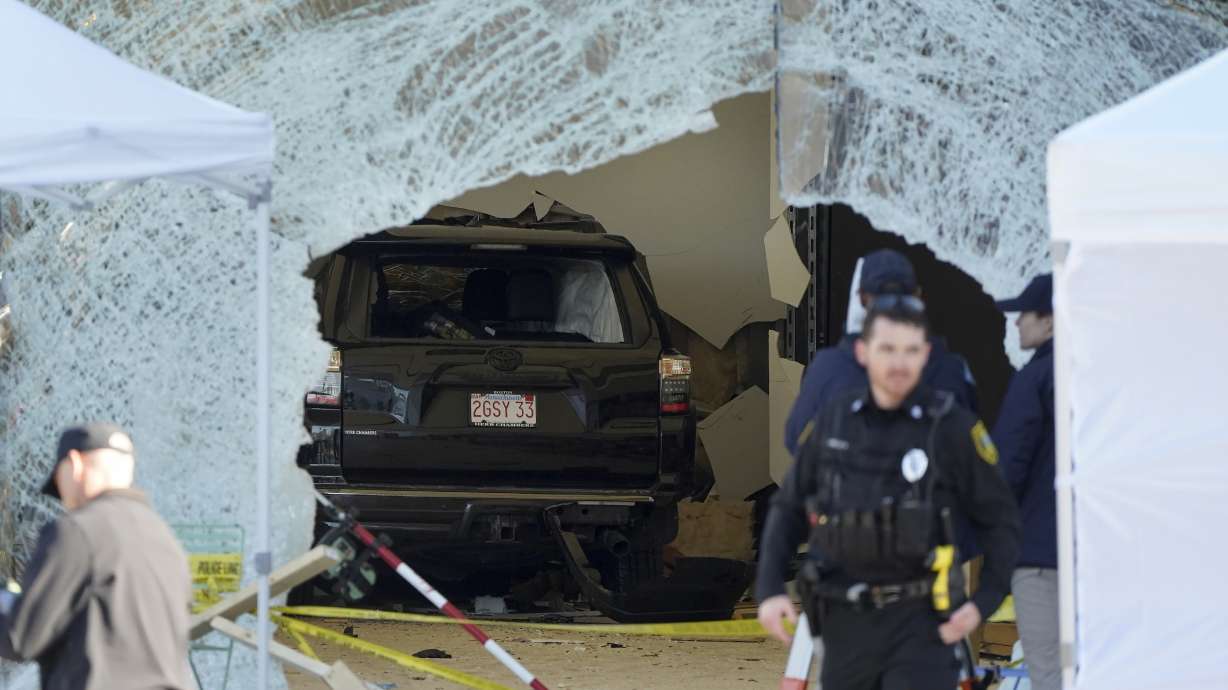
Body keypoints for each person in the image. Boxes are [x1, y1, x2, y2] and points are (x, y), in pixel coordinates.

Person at [757, 299, 1020, 690]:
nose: (899, 363)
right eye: (887, 349)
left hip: (923, 624)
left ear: (926, 354)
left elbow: (1001, 521)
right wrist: (769, 588)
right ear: (863, 353)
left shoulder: (952, 429)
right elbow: (789, 506)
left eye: (910, 350)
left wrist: (982, 603)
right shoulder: (834, 421)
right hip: (846, 622)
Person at [0, 423, 193, 690]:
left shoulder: (77, 532)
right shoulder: (166, 542)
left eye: (58, 485)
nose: (63, 501)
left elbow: (21, 637)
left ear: (75, 465)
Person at [783, 248, 977, 456]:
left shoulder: (827, 367)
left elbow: (796, 439)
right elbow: (972, 447)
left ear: (862, 299)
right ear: (917, 296)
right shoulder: (953, 368)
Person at [992, 273, 1058, 690]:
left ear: (1049, 321)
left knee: (1048, 672)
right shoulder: (1099, 377)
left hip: (1039, 555)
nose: (1016, 324)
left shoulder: (1033, 380)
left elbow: (1006, 467)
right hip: (1097, 556)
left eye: (1023, 315)